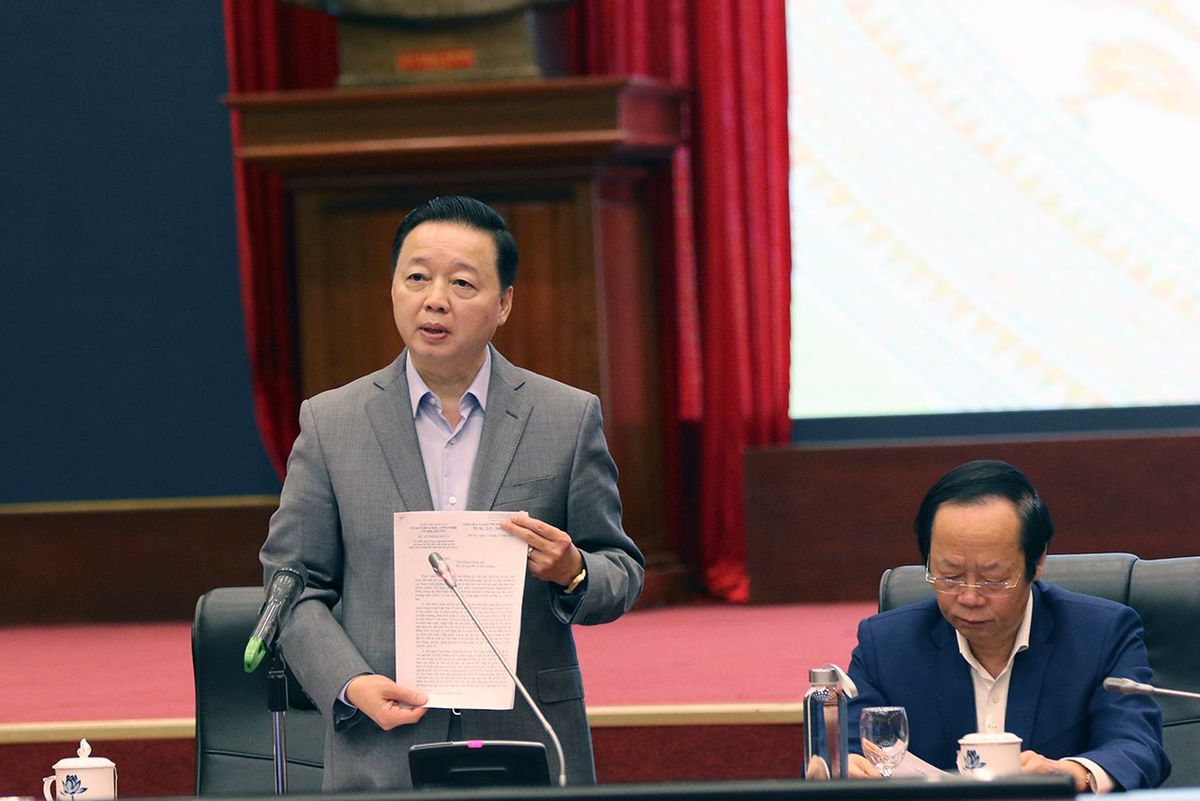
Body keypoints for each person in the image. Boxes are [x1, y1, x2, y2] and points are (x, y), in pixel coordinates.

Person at [259, 195, 645, 790]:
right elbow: (292, 585)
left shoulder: (565, 418)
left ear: (504, 303)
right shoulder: (332, 424)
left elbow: (620, 568)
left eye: (462, 283)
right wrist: (351, 683)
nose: (435, 299)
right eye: (417, 277)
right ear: (393, 289)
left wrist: (573, 571)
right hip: (381, 743)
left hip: (526, 739)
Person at [846, 459, 1169, 791]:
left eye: (994, 578)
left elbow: (1137, 747)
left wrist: (1070, 774)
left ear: (1037, 562)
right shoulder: (886, 645)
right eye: (950, 575)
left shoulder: (1101, 634)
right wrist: (841, 767)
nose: (970, 597)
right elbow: (846, 749)